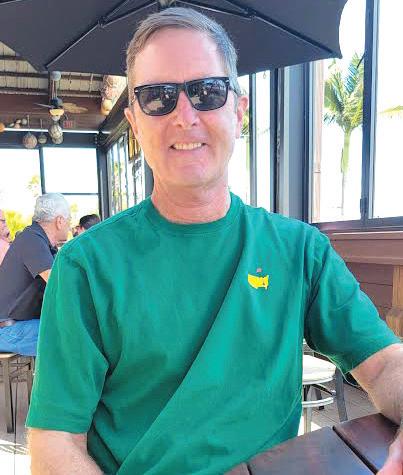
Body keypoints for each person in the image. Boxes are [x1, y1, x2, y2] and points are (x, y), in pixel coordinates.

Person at [27, 7, 403, 475]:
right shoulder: (85, 266)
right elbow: (53, 443)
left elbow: (384, 364)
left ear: (238, 110)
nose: (185, 116)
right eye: (158, 97)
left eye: (207, 92)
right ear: (135, 124)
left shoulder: (300, 251)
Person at [0, 193, 70, 356]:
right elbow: (60, 284)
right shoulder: (32, 240)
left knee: (76, 330)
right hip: (10, 330)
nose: (69, 225)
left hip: (21, 326)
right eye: (69, 220)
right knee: (75, 335)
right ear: (60, 221)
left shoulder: (39, 241)